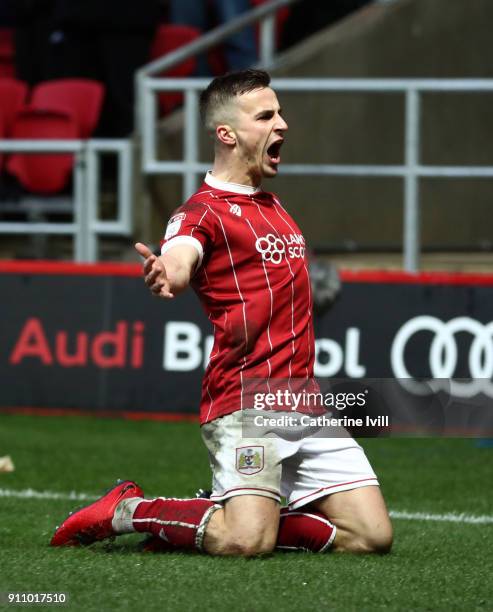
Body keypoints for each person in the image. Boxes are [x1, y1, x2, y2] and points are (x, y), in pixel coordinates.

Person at [50, 69, 393, 556]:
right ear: (226, 134)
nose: (283, 125)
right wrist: (169, 270)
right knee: (245, 542)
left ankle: (225, 510)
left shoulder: (273, 206)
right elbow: (182, 251)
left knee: (371, 536)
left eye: (280, 112)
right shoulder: (201, 211)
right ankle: (128, 510)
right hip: (245, 400)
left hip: (302, 400)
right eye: (266, 115)